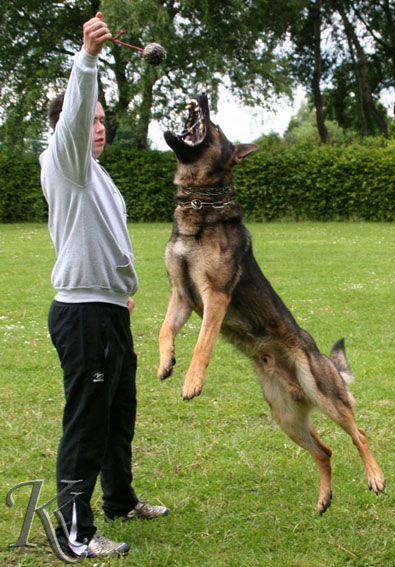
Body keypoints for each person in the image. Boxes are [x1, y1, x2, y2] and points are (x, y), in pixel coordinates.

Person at [40, 12, 168, 559]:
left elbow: (104, 239)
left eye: (101, 120)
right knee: (87, 423)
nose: (96, 127)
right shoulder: (64, 163)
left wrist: (120, 290)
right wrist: (87, 58)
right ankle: (76, 532)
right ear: (68, 125)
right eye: (87, 119)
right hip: (84, 315)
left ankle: (117, 499)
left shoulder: (99, 174)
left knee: (119, 416)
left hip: (109, 308)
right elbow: (72, 118)